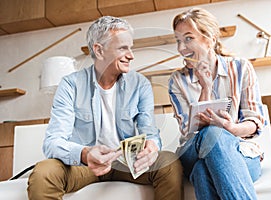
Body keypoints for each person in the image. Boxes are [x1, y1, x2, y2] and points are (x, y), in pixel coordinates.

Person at [27, 16, 183, 200]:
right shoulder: (71, 84)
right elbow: (53, 142)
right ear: (99, 50)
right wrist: (85, 154)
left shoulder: (140, 84)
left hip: (127, 163)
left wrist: (152, 147)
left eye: (130, 48)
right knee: (44, 173)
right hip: (84, 166)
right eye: (123, 48)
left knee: (169, 163)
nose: (131, 55)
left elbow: (149, 131)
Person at [168, 8, 266, 200]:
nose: (181, 48)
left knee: (202, 171)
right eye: (178, 40)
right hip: (192, 151)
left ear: (211, 38)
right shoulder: (177, 80)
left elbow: (255, 121)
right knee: (213, 133)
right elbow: (189, 131)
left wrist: (231, 128)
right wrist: (205, 87)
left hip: (239, 150)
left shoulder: (241, 68)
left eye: (188, 38)